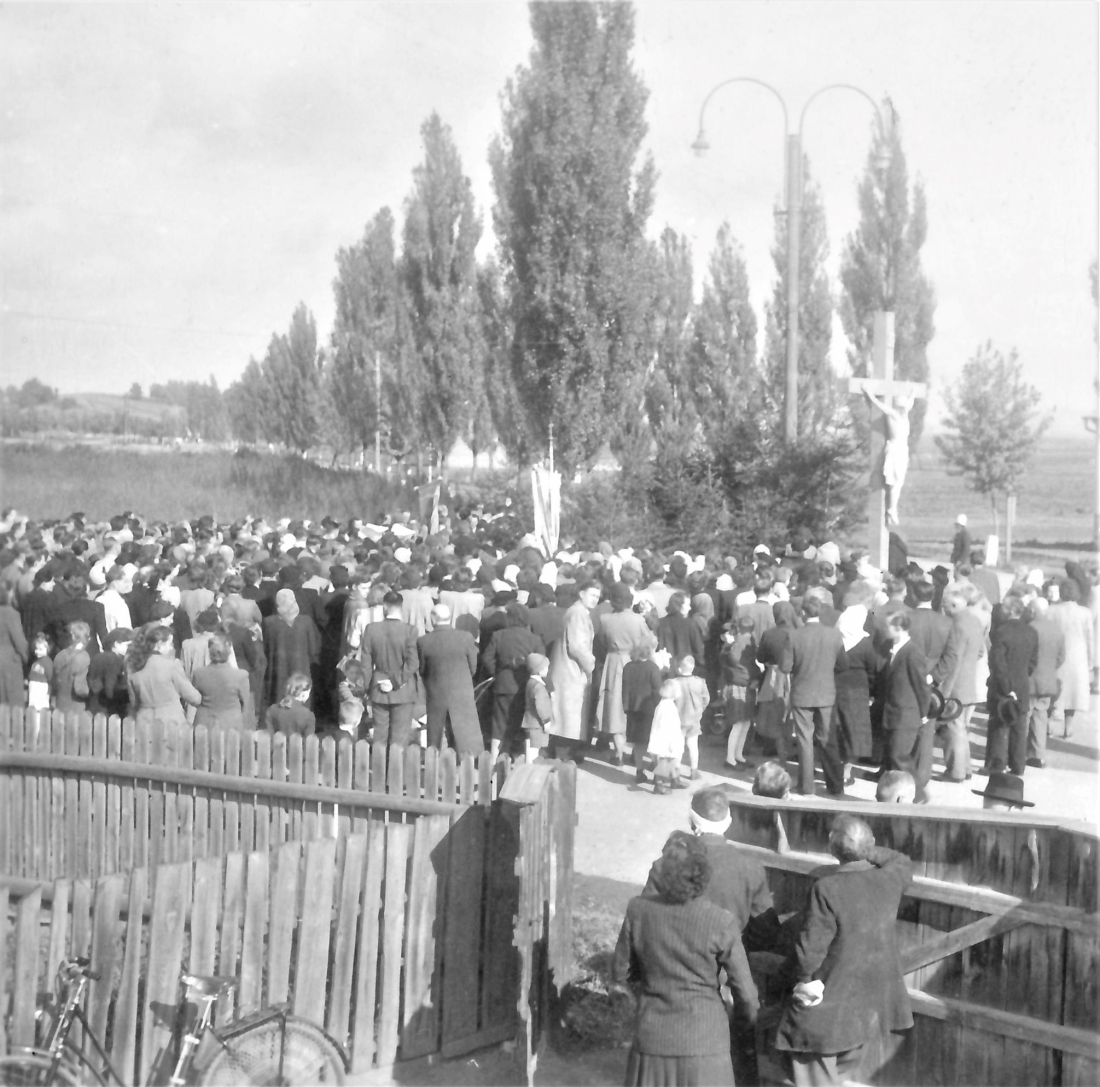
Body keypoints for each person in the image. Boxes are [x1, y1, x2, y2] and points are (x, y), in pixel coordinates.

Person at [775, 815, 913, 1086]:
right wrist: (863, 847)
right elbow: (901, 860)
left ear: (831, 848)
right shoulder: (890, 879)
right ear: (870, 844)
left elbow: (810, 951)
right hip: (873, 1006)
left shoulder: (827, 888)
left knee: (810, 1063)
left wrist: (802, 984)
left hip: (833, 1006)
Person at [614, 831, 759, 1087]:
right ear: (703, 874)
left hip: (653, 1039)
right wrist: (744, 1027)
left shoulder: (638, 910)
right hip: (706, 1044)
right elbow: (746, 995)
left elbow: (620, 974)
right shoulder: (721, 922)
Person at [782, 596, 847, 797]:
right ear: (820, 612)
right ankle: (835, 785)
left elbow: (785, 667)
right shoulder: (834, 635)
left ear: (802, 613)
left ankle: (806, 787)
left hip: (802, 693)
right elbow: (844, 665)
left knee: (805, 740)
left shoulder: (794, 636)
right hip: (826, 693)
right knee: (828, 739)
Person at [595, 582, 658, 765]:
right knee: (635, 707)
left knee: (614, 708)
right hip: (635, 661)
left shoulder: (605, 620)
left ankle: (619, 753)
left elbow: (601, 643)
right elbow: (651, 642)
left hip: (613, 662)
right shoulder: (638, 620)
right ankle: (637, 753)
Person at [416, 603, 484, 756]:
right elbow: (473, 666)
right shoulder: (466, 637)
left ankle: (434, 757)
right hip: (462, 689)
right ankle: (469, 759)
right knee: (466, 729)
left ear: (433, 618)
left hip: (436, 689)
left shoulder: (423, 641)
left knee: (436, 730)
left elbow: (422, 670)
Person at [482, 601, 545, 760]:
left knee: (499, 725)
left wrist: (497, 672)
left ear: (510, 618)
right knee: (525, 724)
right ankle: (523, 760)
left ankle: (495, 760)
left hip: (504, 684)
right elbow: (541, 661)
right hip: (527, 686)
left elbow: (487, 658)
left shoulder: (498, 635)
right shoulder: (535, 639)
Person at [935, 589, 986, 782]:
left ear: (954, 606)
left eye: (945, 606)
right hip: (969, 682)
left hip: (955, 685)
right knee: (961, 728)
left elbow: (952, 659)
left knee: (953, 728)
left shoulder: (957, 625)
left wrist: (944, 692)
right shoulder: (974, 621)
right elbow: (980, 651)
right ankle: (965, 768)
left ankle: (955, 771)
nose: (943, 609)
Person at [881, 612, 932, 799]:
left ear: (899, 629)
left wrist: (924, 713)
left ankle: (918, 795)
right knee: (893, 757)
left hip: (906, 714)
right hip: (894, 712)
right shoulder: (894, 649)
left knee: (900, 756)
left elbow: (921, 685)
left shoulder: (912, 652)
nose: (885, 631)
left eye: (888, 627)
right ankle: (898, 796)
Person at [986, 595, 1038, 776]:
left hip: (1002, 685)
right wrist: (1021, 679)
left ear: (1008, 611)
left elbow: (997, 663)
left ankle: (997, 764)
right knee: (1019, 727)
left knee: (999, 726)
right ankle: (1017, 765)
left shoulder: (1001, 631)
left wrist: (1006, 687)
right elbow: (1033, 661)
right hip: (1022, 683)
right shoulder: (1031, 632)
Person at [361, 590, 420, 746]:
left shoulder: (371, 629)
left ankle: (379, 768)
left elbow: (366, 662)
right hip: (403, 688)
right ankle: (396, 769)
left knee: (379, 734)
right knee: (400, 737)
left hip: (378, 687)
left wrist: (367, 688)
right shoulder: (410, 631)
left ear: (384, 607)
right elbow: (413, 663)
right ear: (401, 607)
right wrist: (395, 682)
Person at [548, 581, 600, 756]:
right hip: (571, 671)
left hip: (568, 670)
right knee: (566, 719)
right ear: (581, 593)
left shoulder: (576, 611)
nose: (595, 599)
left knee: (564, 716)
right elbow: (577, 646)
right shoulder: (578, 613)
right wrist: (591, 664)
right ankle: (562, 757)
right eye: (592, 595)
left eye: (597, 597)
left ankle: (561, 755)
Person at [126, 625, 201, 726]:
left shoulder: (133, 666)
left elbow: (134, 702)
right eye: (170, 644)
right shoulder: (172, 665)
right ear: (159, 644)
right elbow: (192, 697)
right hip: (171, 721)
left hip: (144, 722)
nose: (171, 648)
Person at [262, 588, 321, 716]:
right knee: (302, 696)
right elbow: (314, 647)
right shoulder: (305, 621)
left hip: (278, 668)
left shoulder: (269, 622)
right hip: (302, 666)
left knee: (280, 696)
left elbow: (265, 647)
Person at [1048, 579, 1094, 739]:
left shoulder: (1052, 611)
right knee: (1073, 694)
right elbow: (1090, 639)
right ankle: (1068, 728)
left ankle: (1047, 726)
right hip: (1078, 657)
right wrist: (1091, 662)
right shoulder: (1085, 613)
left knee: (1052, 692)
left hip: (1056, 656)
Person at [862, 388, 915, 525]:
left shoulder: (905, 416)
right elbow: (878, 405)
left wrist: (913, 391)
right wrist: (869, 394)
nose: (904, 409)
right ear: (897, 406)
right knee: (893, 481)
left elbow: (910, 403)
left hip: (903, 450)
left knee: (899, 482)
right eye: (901, 407)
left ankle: (892, 509)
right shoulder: (893, 415)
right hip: (895, 450)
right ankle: (891, 509)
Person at [1026, 596, 1065, 768]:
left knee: (1024, 717)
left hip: (1029, 680)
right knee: (1040, 718)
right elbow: (1061, 657)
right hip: (1048, 680)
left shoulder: (1029, 628)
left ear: (1033, 611)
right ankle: (1038, 754)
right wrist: (1049, 668)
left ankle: (1019, 753)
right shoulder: (1057, 630)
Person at [719, 617, 759, 769]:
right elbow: (734, 659)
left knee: (745, 722)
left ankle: (738, 755)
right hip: (741, 684)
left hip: (743, 684)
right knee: (739, 723)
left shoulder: (740, 641)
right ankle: (730, 758)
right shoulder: (744, 641)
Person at [192, 631, 251, 730]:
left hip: (204, 723)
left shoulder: (198, 674)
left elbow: (194, 699)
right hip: (231, 724)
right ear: (229, 651)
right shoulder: (241, 675)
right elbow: (245, 704)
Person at [623, 642, 663, 786]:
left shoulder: (628, 667)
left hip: (633, 709)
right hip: (649, 709)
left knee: (638, 743)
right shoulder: (653, 668)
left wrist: (626, 707)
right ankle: (657, 772)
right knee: (653, 742)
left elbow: (625, 688)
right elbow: (657, 690)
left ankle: (639, 771)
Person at [673, 655, 710, 781]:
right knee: (693, 745)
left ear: (679, 669)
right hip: (694, 718)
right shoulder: (700, 681)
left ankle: (676, 770)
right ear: (693, 667)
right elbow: (706, 698)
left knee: (678, 746)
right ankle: (694, 770)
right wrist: (700, 710)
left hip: (678, 719)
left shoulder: (675, 682)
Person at [648, 680, 686, 795]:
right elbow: (666, 727)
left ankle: (674, 779)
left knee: (671, 760)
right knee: (665, 762)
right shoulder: (668, 706)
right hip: (666, 740)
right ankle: (659, 785)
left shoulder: (664, 703)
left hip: (664, 738)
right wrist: (670, 744)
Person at [87, 627, 133, 718]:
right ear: (116, 644)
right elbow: (110, 690)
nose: (129, 649)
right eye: (127, 645)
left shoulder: (97, 656)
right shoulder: (115, 660)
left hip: (94, 705)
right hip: (109, 709)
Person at [52, 620, 92, 713]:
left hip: (60, 704)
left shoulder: (60, 655)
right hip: (76, 707)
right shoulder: (84, 657)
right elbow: (80, 689)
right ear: (88, 638)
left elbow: (54, 681)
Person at [521, 652, 553, 762]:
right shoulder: (539, 686)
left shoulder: (530, 683)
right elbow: (541, 705)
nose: (548, 670)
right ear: (539, 670)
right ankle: (531, 769)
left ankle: (528, 765)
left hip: (529, 721)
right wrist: (546, 721)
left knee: (530, 746)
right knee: (534, 748)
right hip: (537, 723)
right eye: (546, 668)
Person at [0, 583, 28, 705]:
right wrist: (26, 659)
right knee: (10, 701)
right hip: (7, 662)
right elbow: (19, 641)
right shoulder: (10, 614)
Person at [265, 672, 316, 737]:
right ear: (303, 694)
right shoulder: (308, 715)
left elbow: (269, 736)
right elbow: (309, 742)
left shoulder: (272, 710)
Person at [26, 632, 53, 712]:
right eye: (36, 649)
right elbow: (31, 673)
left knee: (40, 707)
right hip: (33, 686)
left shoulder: (47, 662)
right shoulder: (36, 662)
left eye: (40, 649)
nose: (37, 651)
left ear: (47, 650)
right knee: (32, 706)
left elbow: (50, 676)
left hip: (41, 687)